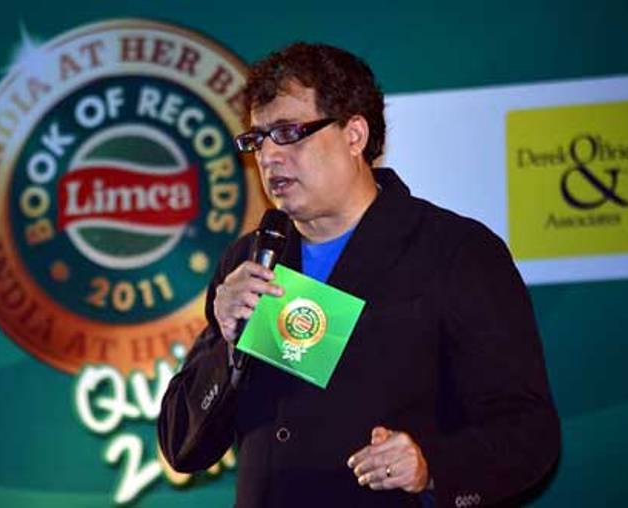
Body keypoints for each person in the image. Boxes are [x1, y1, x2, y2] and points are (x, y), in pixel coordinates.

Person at [158, 42, 560, 507]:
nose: (268, 157)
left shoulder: (454, 252)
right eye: (258, 139)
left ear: (354, 135)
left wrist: (430, 465)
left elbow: (528, 433)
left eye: (287, 132)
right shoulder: (250, 260)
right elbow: (181, 446)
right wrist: (228, 344)